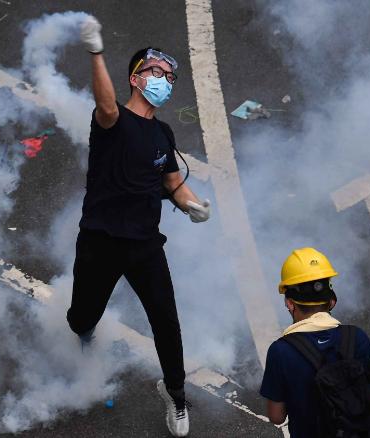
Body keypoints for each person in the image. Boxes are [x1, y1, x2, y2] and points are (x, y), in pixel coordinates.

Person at [67, 17, 211, 438]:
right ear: (135, 78)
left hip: (145, 245)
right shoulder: (111, 121)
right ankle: (84, 334)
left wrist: (192, 205)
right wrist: (95, 52)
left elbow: (171, 182)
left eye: (170, 77)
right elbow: (107, 104)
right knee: (81, 317)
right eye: (156, 72)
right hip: (99, 241)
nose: (164, 80)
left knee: (167, 321)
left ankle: (176, 394)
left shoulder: (163, 133)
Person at [260, 247, 370, 437]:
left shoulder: (281, 351)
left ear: (290, 303)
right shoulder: (356, 337)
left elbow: (277, 416)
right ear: (332, 301)